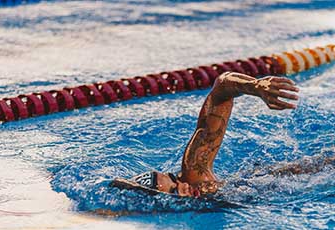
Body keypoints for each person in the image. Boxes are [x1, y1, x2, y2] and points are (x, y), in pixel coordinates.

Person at [112, 71, 300, 198]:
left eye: (175, 180)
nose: (183, 187)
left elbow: (221, 88)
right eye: (173, 190)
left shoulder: (194, 173)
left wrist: (256, 86)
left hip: (289, 181)